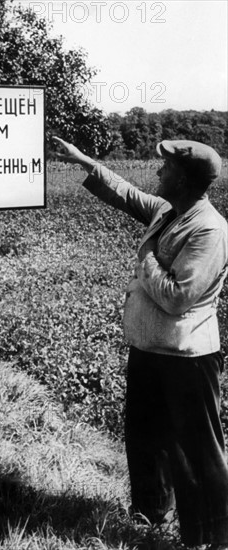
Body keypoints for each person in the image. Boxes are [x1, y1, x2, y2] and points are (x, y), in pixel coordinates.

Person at [53, 136, 228, 549]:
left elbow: (176, 296)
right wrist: (85, 162)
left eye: (165, 168)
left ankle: (210, 537)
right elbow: (128, 194)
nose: (157, 172)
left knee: (196, 451)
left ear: (183, 180)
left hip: (187, 356)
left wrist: (147, 252)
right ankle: (150, 519)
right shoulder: (169, 210)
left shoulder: (209, 229)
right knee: (147, 439)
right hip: (150, 350)